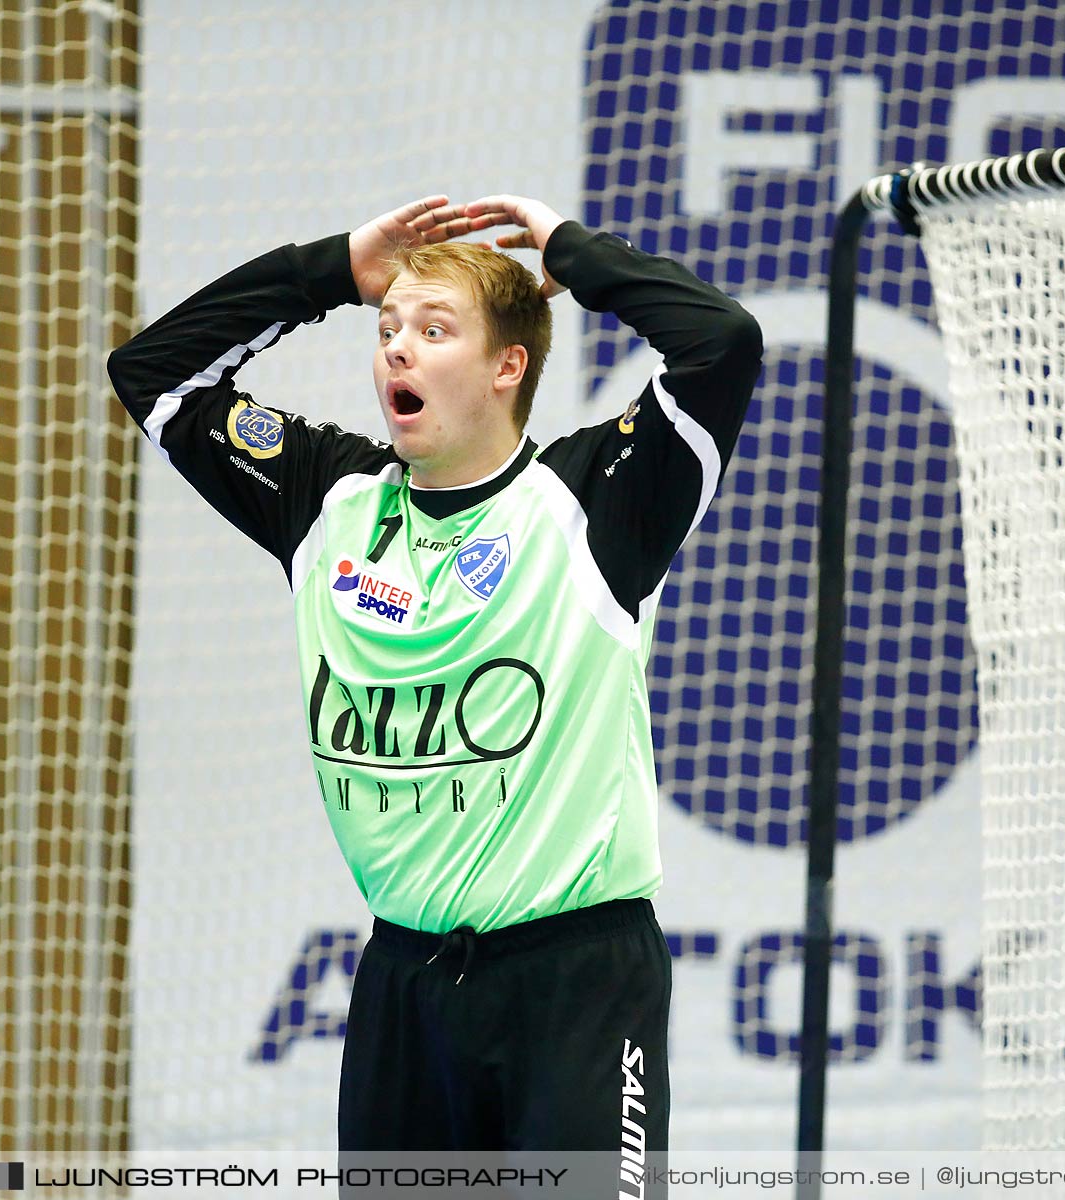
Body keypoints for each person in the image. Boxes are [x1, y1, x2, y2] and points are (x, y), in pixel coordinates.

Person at [107, 195, 762, 1171]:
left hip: (579, 988)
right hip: (405, 986)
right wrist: (332, 272)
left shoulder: (597, 503)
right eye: (388, 330)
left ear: (510, 367)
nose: (397, 352)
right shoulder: (326, 496)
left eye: (435, 329)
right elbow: (152, 373)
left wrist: (572, 254)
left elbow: (721, 342)